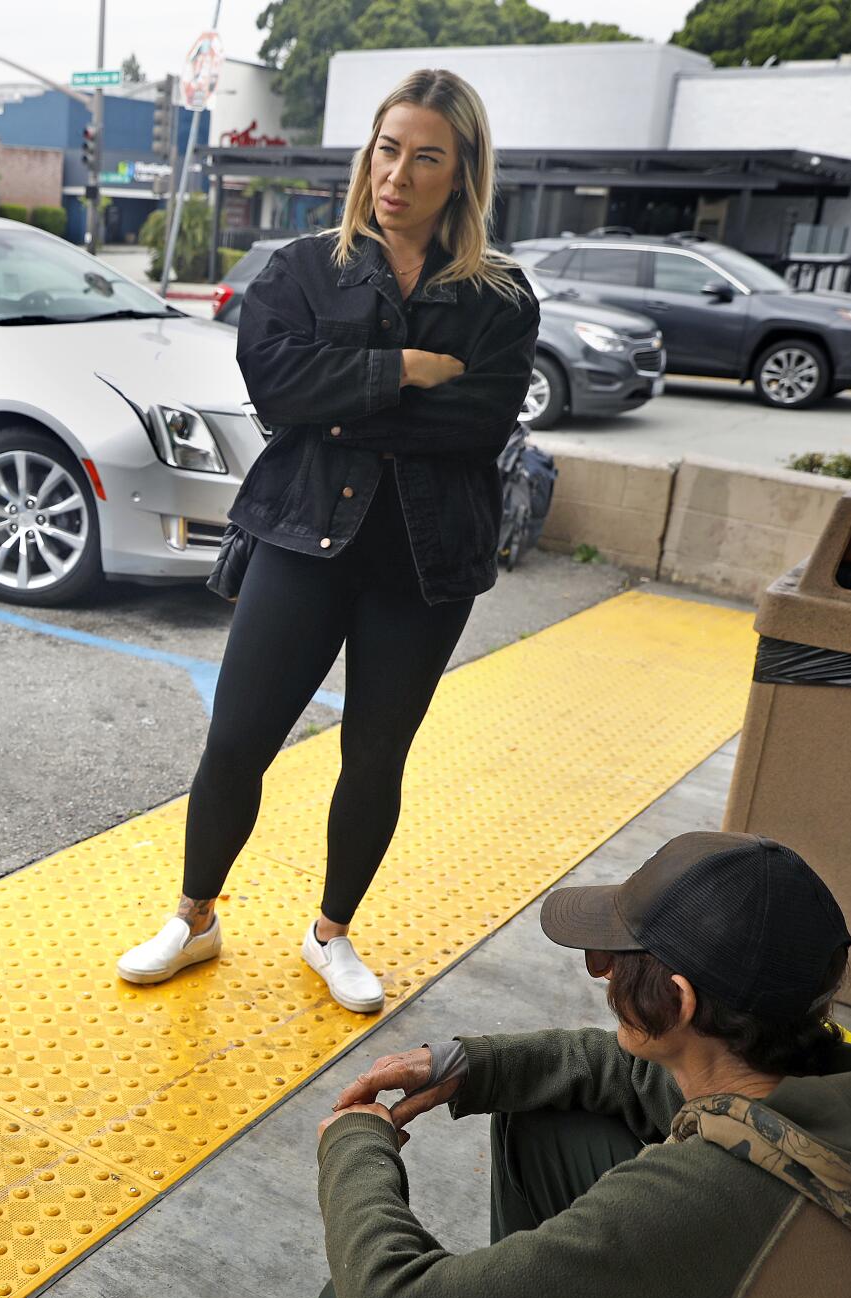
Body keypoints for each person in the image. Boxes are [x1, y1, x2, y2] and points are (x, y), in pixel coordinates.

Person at [117, 69, 539, 1011]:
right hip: (303, 541)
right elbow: (276, 387)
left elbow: (475, 423)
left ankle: (331, 932)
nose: (399, 174)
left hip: (425, 564)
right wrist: (407, 370)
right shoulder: (305, 267)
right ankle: (194, 916)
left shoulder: (500, 298)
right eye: (388, 150)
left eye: (427, 157)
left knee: (375, 756)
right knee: (235, 743)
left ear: (462, 171)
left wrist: (345, 396)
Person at [308, 831, 851, 1298]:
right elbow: (628, 1074)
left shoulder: (706, 1195)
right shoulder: (843, 1084)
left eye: (614, 960)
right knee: (546, 1113)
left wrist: (355, 1144)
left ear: (678, 1000)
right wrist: (474, 1063)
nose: (601, 973)